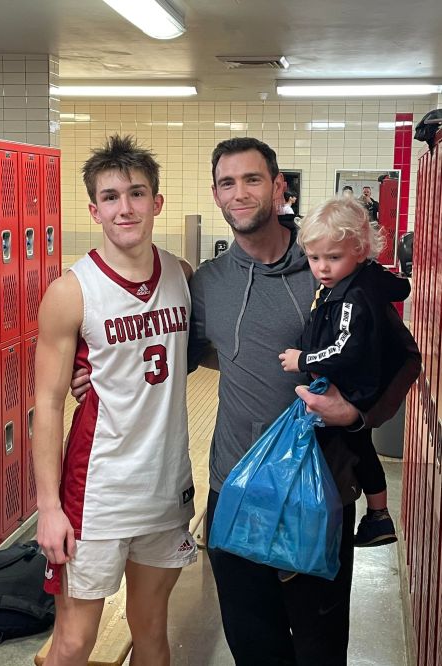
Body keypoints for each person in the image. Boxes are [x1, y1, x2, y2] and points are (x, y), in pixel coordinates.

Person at [72, 137, 420, 665]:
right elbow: (183, 355)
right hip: (235, 488)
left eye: (253, 179)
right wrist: (94, 372)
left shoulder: (330, 265)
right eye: (227, 183)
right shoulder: (209, 283)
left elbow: (404, 359)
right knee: (254, 649)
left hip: (317, 491)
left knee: (319, 652)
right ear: (215, 194)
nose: (240, 193)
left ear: (279, 187)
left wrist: (357, 414)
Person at [32, 134, 197, 666]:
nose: (124, 208)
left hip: (165, 487)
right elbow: (47, 404)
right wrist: (48, 508)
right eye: (110, 197)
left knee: (151, 633)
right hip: (97, 493)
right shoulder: (71, 291)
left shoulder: (181, 275)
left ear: (157, 202)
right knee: (74, 641)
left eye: (136, 193)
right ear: (94, 210)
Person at [279, 196, 420, 551]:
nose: (322, 268)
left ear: (359, 251)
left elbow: (344, 348)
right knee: (359, 447)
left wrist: (304, 359)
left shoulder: (352, 296)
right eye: (314, 258)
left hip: (353, 388)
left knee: (325, 450)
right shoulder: (362, 279)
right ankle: (377, 515)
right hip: (359, 383)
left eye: (333, 257)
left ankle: (311, 531)